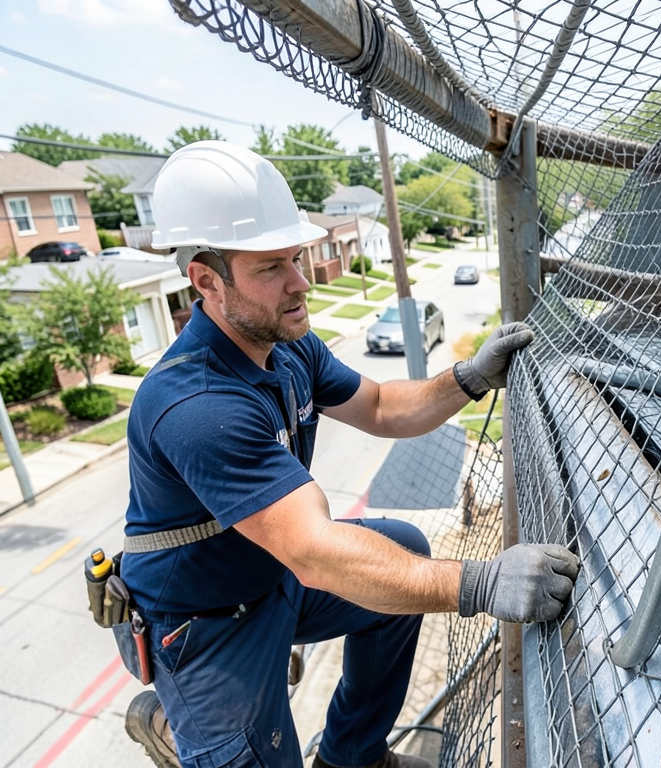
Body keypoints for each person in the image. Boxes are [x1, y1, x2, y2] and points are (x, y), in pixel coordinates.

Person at [117, 141, 579, 768]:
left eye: (296, 258)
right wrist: (481, 582)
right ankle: (180, 721)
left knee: (403, 552)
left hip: (270, 574)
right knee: (250, 754)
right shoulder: (196, 403)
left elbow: (384, 405)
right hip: (208, 620)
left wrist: (468, 377)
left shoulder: (287, 349)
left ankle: (351, 756)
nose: (299, 283)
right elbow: (314, 551)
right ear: (206, 280)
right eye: (270, 267)